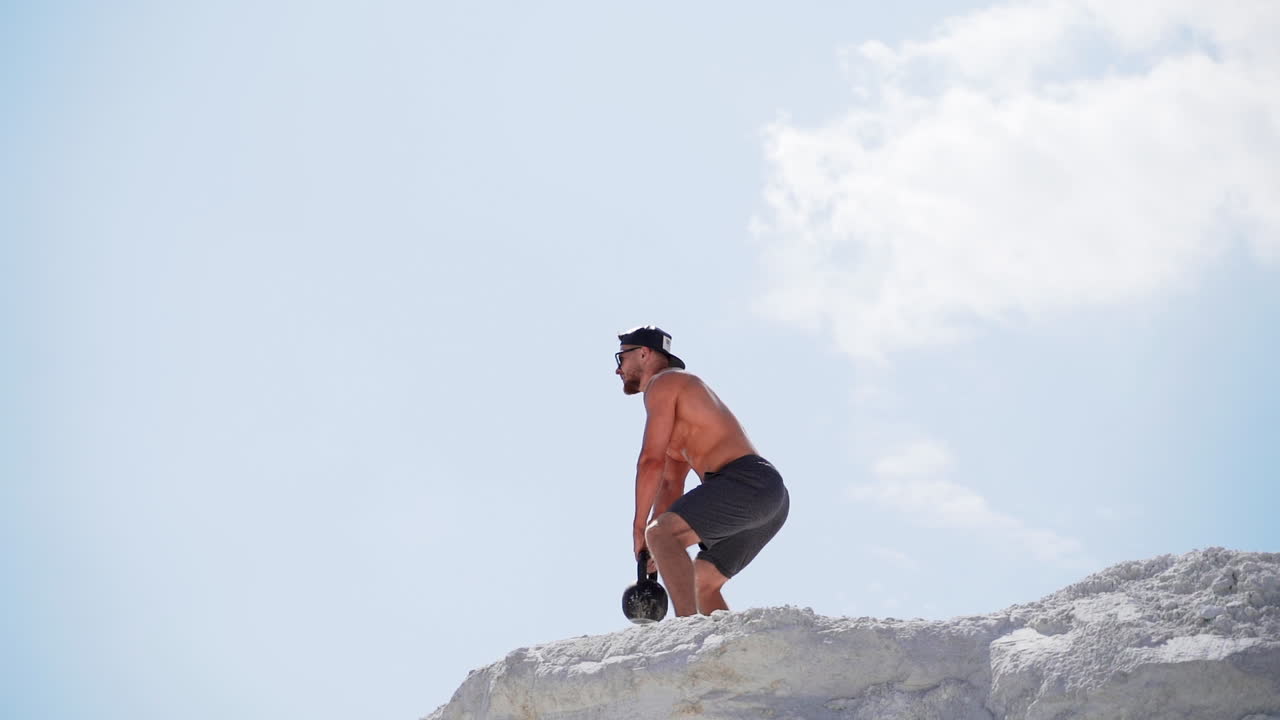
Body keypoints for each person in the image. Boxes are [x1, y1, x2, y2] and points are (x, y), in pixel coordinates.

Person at [615, 325, 789, 616]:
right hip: (769, 499)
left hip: (747, 482)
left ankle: (688, 633)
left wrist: (641, 528)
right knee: (700, 582)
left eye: (621, 359)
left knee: (660, 534)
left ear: (643, 353)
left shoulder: (665, 383)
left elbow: (650, 461)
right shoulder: (678, 413)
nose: (617, 370)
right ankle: (726, 654)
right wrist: (657, 549)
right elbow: (670, 485)